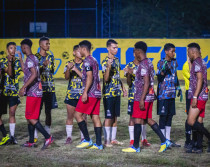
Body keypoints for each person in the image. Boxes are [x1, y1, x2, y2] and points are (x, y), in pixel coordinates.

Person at [122, 41, 171, 153]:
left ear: (139, 51)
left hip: (142, 96)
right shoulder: (148, 62)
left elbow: (147, 82)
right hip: (149, 96)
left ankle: (135, 146)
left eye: (135, 51)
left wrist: (141, 99)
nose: (134, 53)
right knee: (147, 119)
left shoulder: (143, 64)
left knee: (137, 120)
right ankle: (164, 141)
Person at [19, 38, 54, 149]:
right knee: (32, 117)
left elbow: (33, 74)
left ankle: (48, 137)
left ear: (24, 47)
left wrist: (23, 87)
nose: (22, 50)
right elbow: (26, 70)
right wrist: (20, 59)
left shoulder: (30, 59)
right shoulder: (34, 58)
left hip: (33, 92)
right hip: (38, 92)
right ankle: (31, 141)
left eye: (22, 48)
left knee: (30, 117)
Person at [74, 40, 103, 149]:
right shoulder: (94, 59)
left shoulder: (86, 61)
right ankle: (99, 144)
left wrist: (85, 92)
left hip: (90, 93)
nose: (79, 50)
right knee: (95, 117)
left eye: (79, 48)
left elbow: (90, 77)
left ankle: (87, 140)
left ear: (84, 49)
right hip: (97, 92)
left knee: (77, 114)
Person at [102, 39, 127, 147]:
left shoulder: (117, 60)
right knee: (108, 117)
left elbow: (117, 76)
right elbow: (106, 79)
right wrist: (108, 66)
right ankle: (106, 140)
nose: (116, 49)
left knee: (115, 116)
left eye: (117, 47)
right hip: (108, 94)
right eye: (114, 47)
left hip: (116, 93)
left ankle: (113, 139)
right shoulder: (104, 61)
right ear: (108, 48)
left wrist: (123, 87)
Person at [156, 43, 182, 147]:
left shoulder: (175, 62)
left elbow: (175, 75)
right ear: (166, 51)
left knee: (170, 116)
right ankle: (163, 141)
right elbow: (159, 78)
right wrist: (164, 69)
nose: (174, 53)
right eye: (172, 51)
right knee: (163, 117)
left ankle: (169, 139)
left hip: (171, 93)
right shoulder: (161, 62)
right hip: (163, 94)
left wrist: (178, 87)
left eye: (174, 51)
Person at [123, 51, 150, 147]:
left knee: (143, 118)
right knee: (132, 117)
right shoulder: (129, 65)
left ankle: (144, 139)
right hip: (133, 96)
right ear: (134, 54)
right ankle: (132, 140)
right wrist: (129, 74)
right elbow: (129, 83)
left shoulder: (144, 64)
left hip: (143, 96)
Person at [186, 42, 210, 153]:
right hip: (203, 95)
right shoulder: (201, 61)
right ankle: (199, 147)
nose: (187, 54)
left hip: (199, 96)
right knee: (199, 121)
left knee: (191, 121)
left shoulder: (197, 63)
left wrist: (195, 96)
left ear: (193, 52)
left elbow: (200, 79)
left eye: (188, 52)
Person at [0, 42, 24, 145]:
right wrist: (9, 61)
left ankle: (12, 137)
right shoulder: (2, 61)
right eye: (11, 48)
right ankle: (5, 135)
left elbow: (22, 71)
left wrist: (20, 59)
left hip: (14, 92)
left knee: (12, 113)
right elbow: (9, 72)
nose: (13, 50)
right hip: (3, 92)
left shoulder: (18, 62)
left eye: (14, 48)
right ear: (7, 50)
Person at [34, 37, 58, 142]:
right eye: (46, 44)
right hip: (38, 89)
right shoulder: (35, 57)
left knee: (48, 112)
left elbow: (52, 72)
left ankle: (47, 134)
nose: (48, 45)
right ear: (40, 45)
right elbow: (33, 73)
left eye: (49, 44)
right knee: (37, 112)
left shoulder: (51, 57)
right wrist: (42, 66)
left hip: (49, 88)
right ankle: (35, 135)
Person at [64, 45, 85, 144]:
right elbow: (66, 78)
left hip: (82, 95)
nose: (80, 54)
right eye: (78, 51)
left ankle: (83, 137)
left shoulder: (85, 64)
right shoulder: (69, 63)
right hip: (71, 94)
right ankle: (69, 137)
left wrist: (75, 69)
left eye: (81, 52)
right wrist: (68, 69)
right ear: (73, 53)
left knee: (83, 117)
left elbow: (85, 78)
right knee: (70, 116)